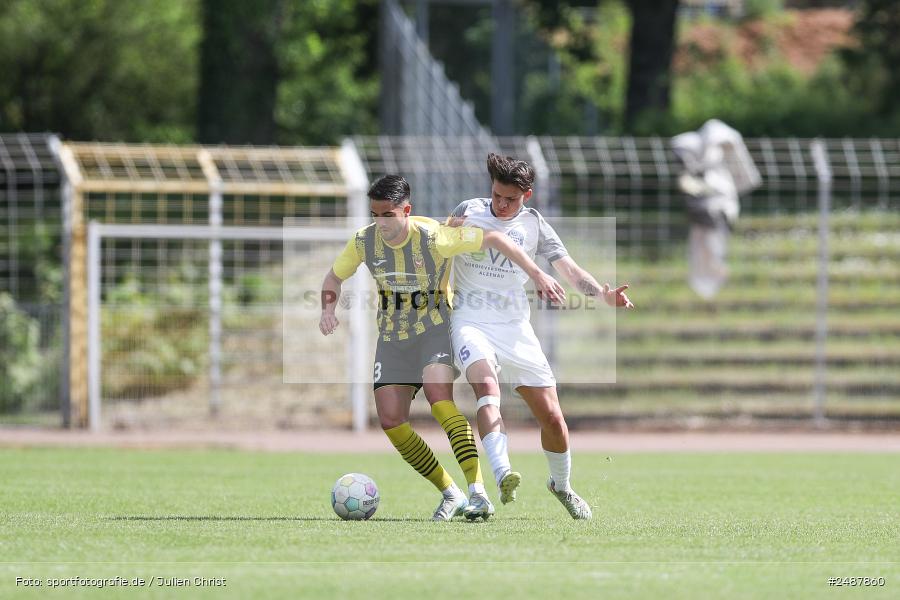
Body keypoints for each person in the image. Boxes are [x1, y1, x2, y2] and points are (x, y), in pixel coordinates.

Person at [319, 174, 565, 521]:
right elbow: (333, 277)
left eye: (388, 214)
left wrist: (538, 274)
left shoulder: (435, 236)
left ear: (407, 210)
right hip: (392, 337)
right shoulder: (363, 242)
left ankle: (478, 492)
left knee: (439, 398)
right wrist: (328, 308)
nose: (381, 222)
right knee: (391, 420)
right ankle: (450, 492)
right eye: (375, 214)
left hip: (435, 328)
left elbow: (493, 238)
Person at [448, 154, 634, 520]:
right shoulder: (468, 210)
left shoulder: (535, 225)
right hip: (470, 319)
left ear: (527, 195)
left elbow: (569, 269)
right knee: (486, 388)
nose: (501, 205)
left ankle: (560, 485)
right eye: (497, 196)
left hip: (515, 328)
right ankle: (502, 474)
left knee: (552, 419)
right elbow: (444, 241)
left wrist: (601, 295)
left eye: (510, 199)